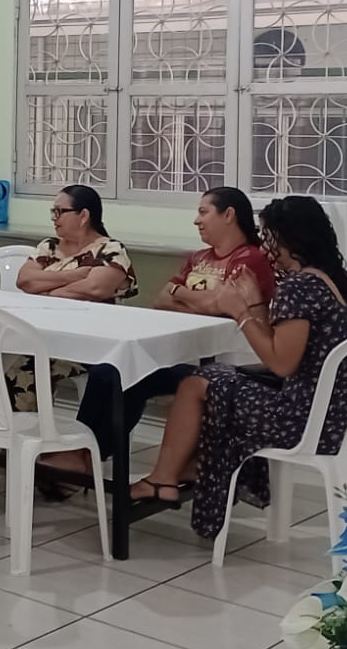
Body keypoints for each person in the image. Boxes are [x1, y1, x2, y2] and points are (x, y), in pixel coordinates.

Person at [131, 197, 347, 540]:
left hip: (304, 419)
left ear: (287, 239)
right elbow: (282, 344)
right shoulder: (329, 280)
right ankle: (187, 468)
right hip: (334, 412)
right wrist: (256, 302)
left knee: (195, 384)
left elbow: (281, 362)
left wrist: (239, 311)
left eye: (268, 236)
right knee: (215, 377)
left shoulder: (298, 288)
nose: (265, 245)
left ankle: (165, 478)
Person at [45, 187, 276, 477]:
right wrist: (197, 299)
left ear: (228, 215)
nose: (196, 220)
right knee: (111, 368)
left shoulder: (250, 259)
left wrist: (184, 295)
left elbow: (222, 305)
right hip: (186, 354)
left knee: (130, 374)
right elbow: (163, 299)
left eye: (203, 212)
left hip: (227, 364)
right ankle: (86, 451)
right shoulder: (199, 257)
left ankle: (90, 455)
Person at [7, 185, 136, 431]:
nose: (54, 218)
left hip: (93, 342)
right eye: (53, 212)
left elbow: (95, 288)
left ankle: (47, 439)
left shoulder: (110, 250)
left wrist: (47, 292)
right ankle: (18, 436)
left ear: (84, 215)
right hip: (46, 336)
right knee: (13, 369)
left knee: (28, 370)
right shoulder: (49, 247)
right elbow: (25, 280)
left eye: (60, 212)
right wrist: (76, 275)